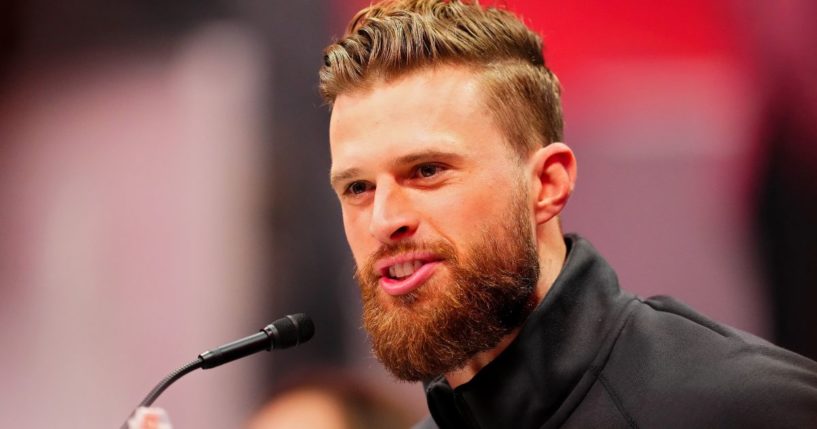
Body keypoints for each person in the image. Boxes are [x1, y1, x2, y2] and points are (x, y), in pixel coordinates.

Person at [319, 1, 817, 428]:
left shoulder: (749, 408)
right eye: (358, 187)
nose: (384, 220)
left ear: (547, 184)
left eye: (427, 171)